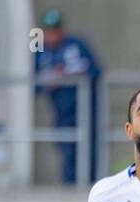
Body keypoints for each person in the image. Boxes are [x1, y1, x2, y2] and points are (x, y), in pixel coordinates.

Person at [34, 7, 100, 184]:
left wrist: (69, 74)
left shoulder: (76, 44)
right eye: (48, 31)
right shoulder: (40, 49)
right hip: (60, 111)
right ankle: (70, 185)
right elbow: (34, 83)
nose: (52, 35)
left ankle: (87, 186)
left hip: (84, 109)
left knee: (88, 149)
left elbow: (95, 71)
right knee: (66, 149)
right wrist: (50, 81)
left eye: (56, 30)